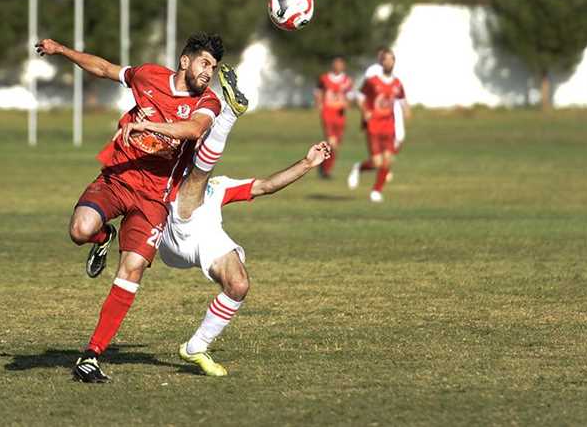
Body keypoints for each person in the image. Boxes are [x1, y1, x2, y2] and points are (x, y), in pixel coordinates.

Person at [34, 32, 247, 383]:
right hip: (118, 178)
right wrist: (60, 50)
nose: (209, 72)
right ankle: (104, 237)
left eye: (214, 66)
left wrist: (149, 124)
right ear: (185, 61)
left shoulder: (208, 102)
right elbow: (103, 68)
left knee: (131, 269)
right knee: (79, 230)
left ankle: (91, 355)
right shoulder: (148, 76)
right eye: (204, 63)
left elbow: (193, 130)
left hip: (155, 199)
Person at [159, 137, 332, 376]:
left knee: (238, 284)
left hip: (205, 238)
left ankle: (196, 346)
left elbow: (264, 186)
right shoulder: (162, 175)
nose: (202, 147)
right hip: (170, 237)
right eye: (199, 143)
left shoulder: (218, 185)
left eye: (205, 143)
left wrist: (306, 163)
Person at [347, 48, 410, 202]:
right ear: (381, 62)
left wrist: (407, 110)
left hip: (389, 126)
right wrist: (365, 111)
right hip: (374, 125)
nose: (389, 62)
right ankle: (358, 168)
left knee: (388, 160)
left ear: (394, 62)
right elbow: (360, 97)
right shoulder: (372, 81)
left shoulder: (397, 83)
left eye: (391, 59)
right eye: (386, 59)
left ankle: (376, 191)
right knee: (376, 163)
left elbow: (402, 100)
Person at [314, 57, 353, 178]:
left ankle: (322, 163)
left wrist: (347, 103)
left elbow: (350, 95)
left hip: (340, 115)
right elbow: (318, 91)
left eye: (341, 64)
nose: (338, 66)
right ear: (332, 65)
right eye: (336, 64)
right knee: (332, 142)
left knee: (334, 145)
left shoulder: (347, 80)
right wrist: (319, 103)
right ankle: (326, 171)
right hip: (328, 113)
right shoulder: (324, 78)